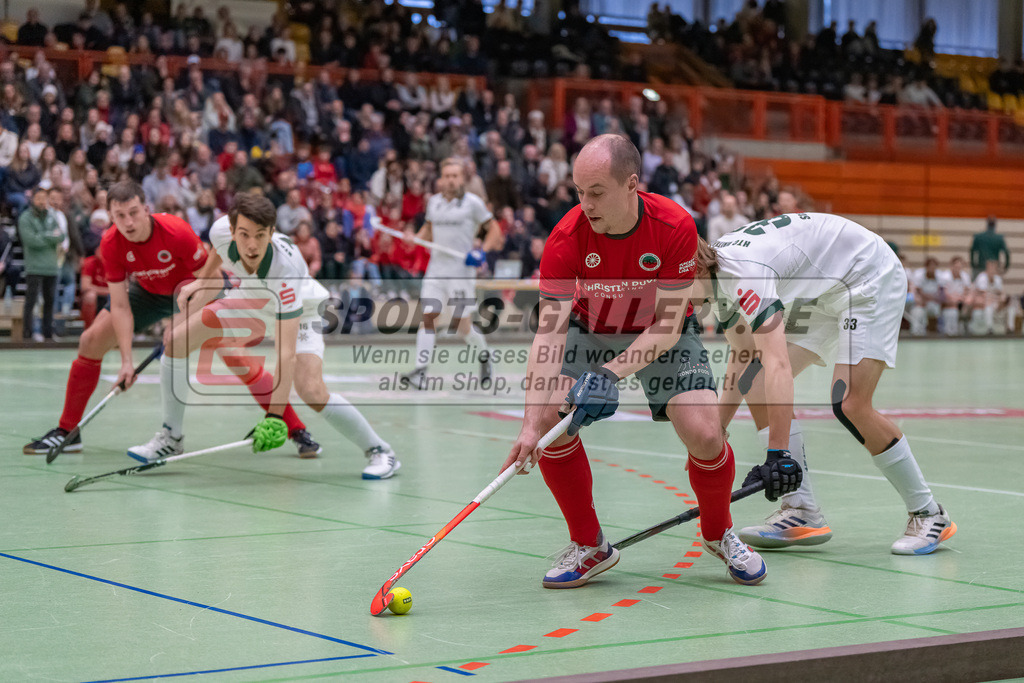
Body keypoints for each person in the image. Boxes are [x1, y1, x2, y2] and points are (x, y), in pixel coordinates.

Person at [502, 135, 796, 589]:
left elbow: (669, 324)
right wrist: (527, 425)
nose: (586, 204)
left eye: (596, 192)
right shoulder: (566, 237)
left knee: (704, 432)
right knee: (545, 420)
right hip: (590, 326)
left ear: (632, 185)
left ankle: (719, 533)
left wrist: (608, 374)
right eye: (579, 192)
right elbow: (549, 333)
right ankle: (590, 546)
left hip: (661, 330)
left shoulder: (674, 225)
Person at [695, 211, 956, 555]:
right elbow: (744, 358)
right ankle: (801, 511)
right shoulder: (716, 277)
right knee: (755, 382)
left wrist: (777, 454)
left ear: (692, 271)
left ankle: (929, 513)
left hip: (867, 275)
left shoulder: (744, 275)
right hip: (823, 288)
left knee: (850, 402)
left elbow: (778, 363)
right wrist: (716, 435)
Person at [23, 181, 321, 458]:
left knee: (235, 357)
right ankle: (67, 431)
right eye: (119, 215)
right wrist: (127, 361)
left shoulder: (175, 231)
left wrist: (182, 322)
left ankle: (294, 428)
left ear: (146, 209)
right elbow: (121, 306)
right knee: (90, 340)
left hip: (197, 290)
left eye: (133, 213)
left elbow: (214, 280)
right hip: (149, 294)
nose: (128, 222)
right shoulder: (111, 243)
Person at [133, 195, 400, 478]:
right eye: (244, 234)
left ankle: (380, 451)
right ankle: (171, 438)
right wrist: (203, 280)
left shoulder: (286, 271)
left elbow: (285, 353)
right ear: (233, 230)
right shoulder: (221, 230)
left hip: (304, 311)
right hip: (252, 299)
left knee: (311, 390)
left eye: (260, 236)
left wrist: (274, 417)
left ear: (272, 233)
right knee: (177, 341)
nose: (251, 245)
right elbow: (218, 249)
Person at [401, 158, 503, 389]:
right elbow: (427, 230)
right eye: (446, 176)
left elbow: (494, 230)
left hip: (461, 271)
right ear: (441, 179)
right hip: (436, 269)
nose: (450, 180)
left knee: (462, 325)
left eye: (455, 176)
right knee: (428, 316)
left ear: (462, 178)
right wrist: (413, 238)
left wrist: (481, 252)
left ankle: (485, 355)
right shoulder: (434, 202)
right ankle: (420, 372)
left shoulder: (473, 203)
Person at [17, 187, 62, 342]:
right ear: (32, 200)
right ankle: (27, 335)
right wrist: (50, 238)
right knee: (31, 301)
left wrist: (42, 237)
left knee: (50, 302)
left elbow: (61, 235)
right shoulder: (25, 217)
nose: (42, 201)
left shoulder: (52, 215)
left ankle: (48, 334)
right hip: (34, 266)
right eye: (39, 198)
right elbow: (30, 240)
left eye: (45, 198)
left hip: (51, 266)